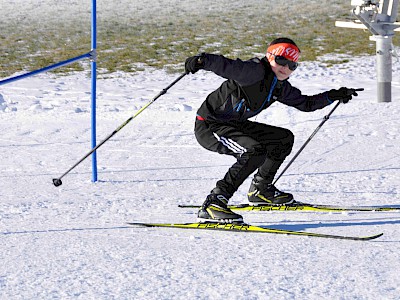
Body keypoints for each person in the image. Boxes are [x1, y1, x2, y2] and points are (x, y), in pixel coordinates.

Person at [184, 37, 361, 223]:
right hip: (211, 125)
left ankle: (261, 191)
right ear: (269, 57)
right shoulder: (253, 71)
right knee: (253, 151)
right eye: (281, 60)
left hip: (235, 124)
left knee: (282, 138)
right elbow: (226, 65)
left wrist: (333, 95)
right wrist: (201, 61)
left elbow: (306, 103)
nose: (285, 68)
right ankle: (214, 202)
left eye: (292, 65)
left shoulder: (279, 86)